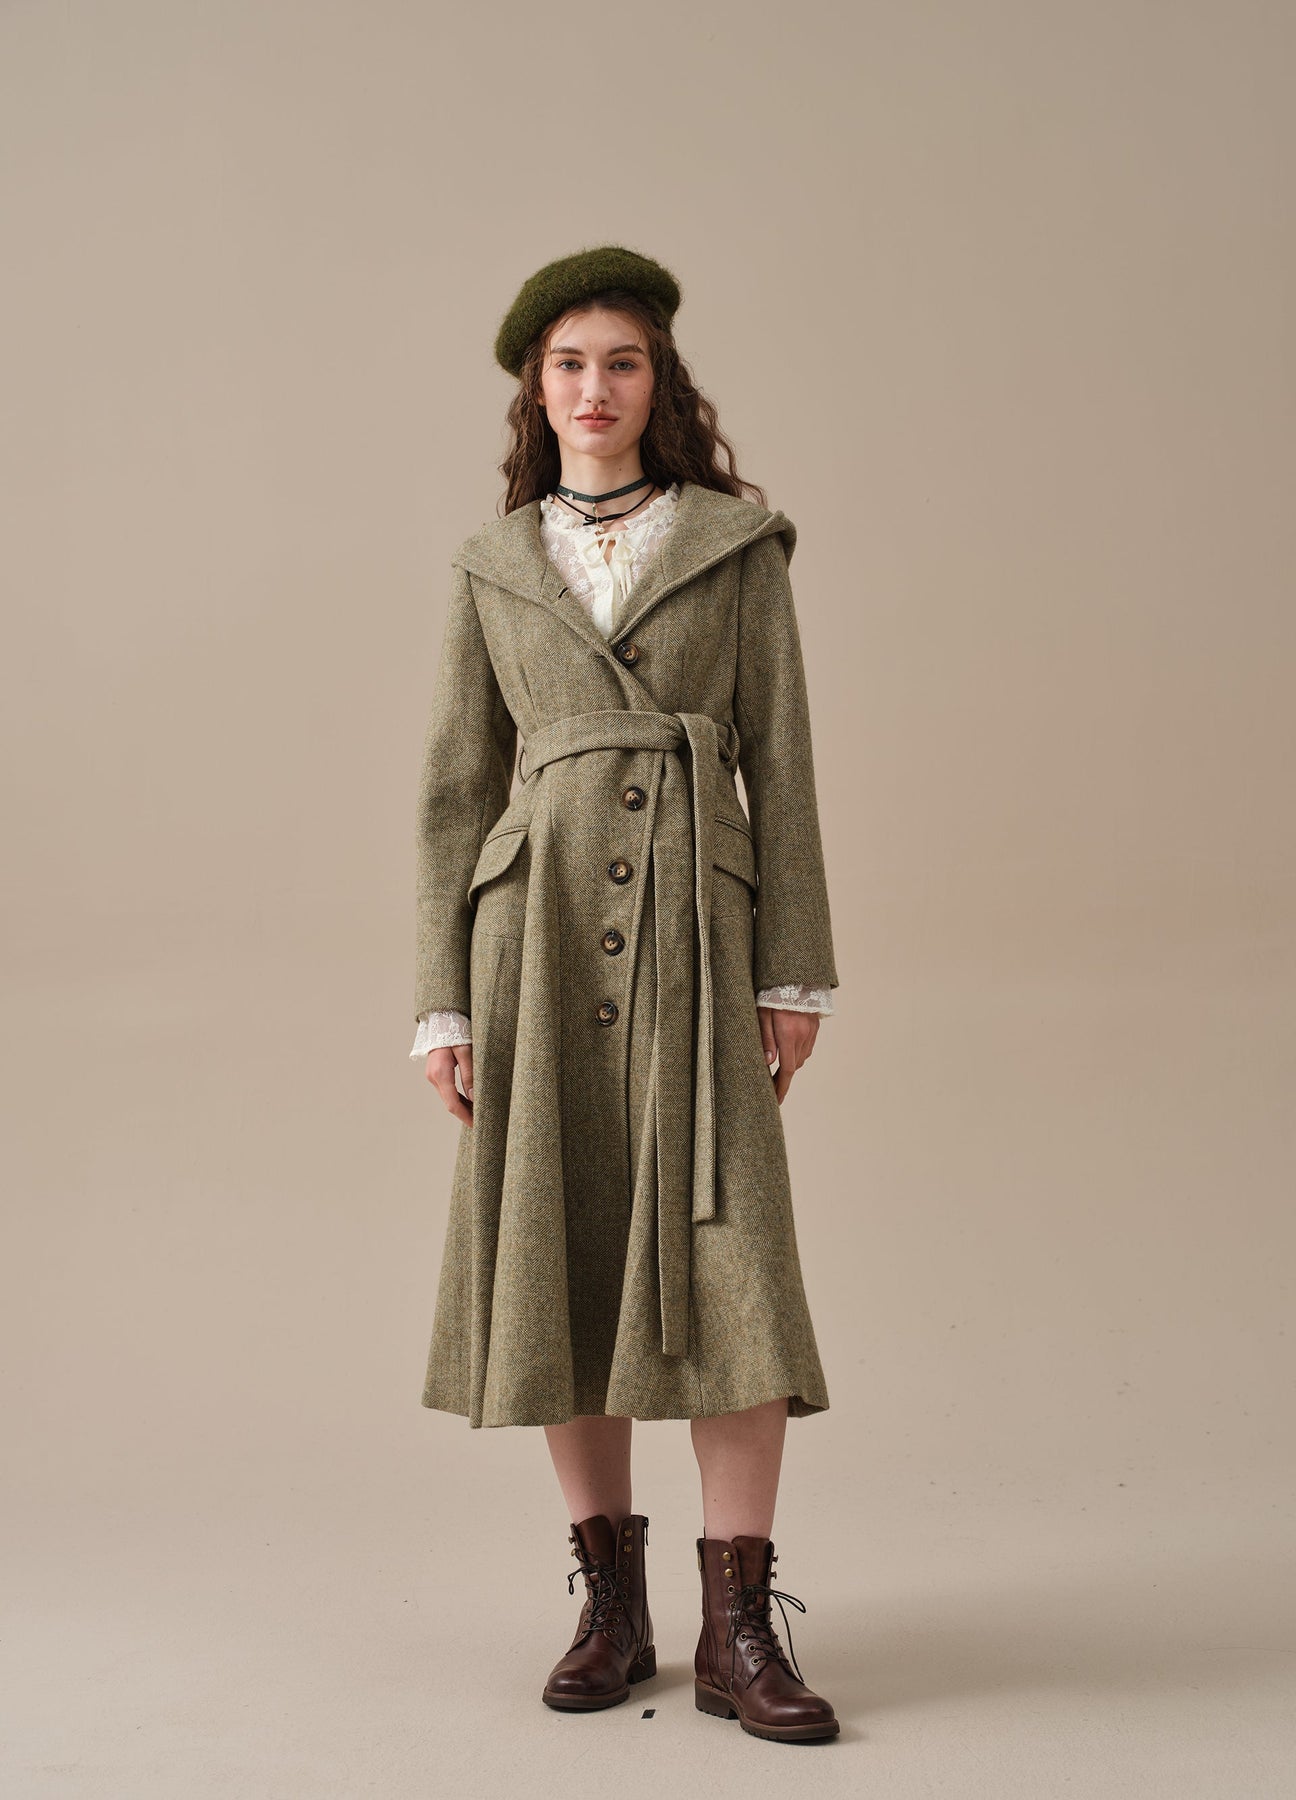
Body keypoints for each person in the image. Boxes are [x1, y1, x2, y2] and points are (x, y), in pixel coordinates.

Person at [409, 245, 842, 1744]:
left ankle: (739, 1629)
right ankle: (613, 1606)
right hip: (531, 940)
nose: (595, 388)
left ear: (662, 383)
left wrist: (793, 968)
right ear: (537, 392)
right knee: (561, 1252)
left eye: (623, 362)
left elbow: (783, 762)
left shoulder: (737, 544)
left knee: (734, 1265)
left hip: (697, 939)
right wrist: (442, 1000)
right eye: (570, 365)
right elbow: (454, 789)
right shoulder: (491, 561)